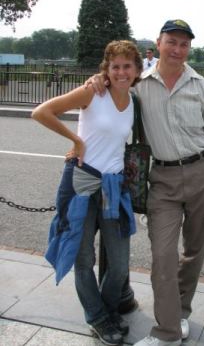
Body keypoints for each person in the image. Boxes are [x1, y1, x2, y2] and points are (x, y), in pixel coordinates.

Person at [88, 19, 204, 346]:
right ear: (159, 42)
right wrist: (98, 79)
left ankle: (179, 314)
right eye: (172, 42)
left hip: (203, 173)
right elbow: (112, 88)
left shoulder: (200, 86)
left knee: (194, 252)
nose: (177, 49)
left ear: (189, 48)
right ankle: (167, 333)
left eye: (184, 44)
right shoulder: (140, 85)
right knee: (163, 256)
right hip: (163, 180)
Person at [32, 40, 143, 346]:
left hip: (112, 185)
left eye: (127, 66)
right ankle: (97, 317)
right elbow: (42, 112)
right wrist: (76, 140)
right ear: (106, 70)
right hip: (81, 179)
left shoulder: (134, 100)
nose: (121, 72)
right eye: (115, 66)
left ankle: (106, 310)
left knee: (119, 263)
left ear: (136, 70)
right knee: (84, 259)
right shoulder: (93, 93)